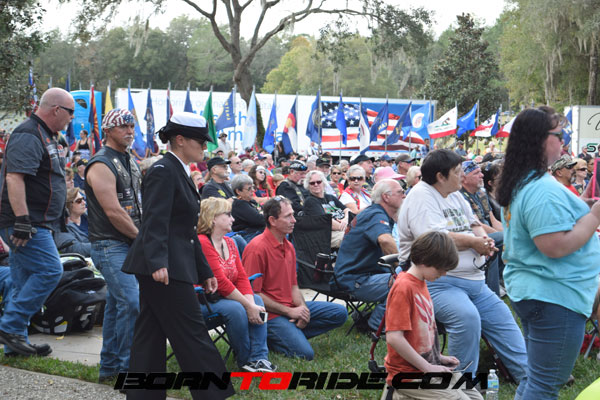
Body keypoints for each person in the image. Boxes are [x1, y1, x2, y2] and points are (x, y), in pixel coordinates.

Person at [122, 112, 234, 400]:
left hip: (170, 263)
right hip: (164, 267)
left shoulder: (178, 170)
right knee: (192, 333)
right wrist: (158, 262)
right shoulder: (164, 170)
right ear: (180, 140)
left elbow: (186, 229)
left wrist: (205, 270)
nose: (205, 147)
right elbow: (154, 221)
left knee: (150, 334)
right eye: (200, 141)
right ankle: (214, 395)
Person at [397, 149, 528, 390]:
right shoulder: (421, 197)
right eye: (458, 172)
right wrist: (473, 243)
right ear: (441, 176)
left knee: (502, 317)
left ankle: (529, 377)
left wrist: (484, 241)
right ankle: (461, 386)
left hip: (474, 281)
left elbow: (475, 224)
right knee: (467, 318)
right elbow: (434, 239)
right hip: (437, 283)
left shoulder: (455, 195)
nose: (462, 176)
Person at [497, 106, 600, 399]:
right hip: (555, 295)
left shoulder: (526, 180)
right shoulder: (541, 188)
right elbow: (554, 246)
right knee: (544, 385)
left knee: (536, 378)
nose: (564, 142)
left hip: (539, 290)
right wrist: (595, 216)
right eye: (560, 135)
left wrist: (583, 206)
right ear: (541, 139)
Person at [0, 87, 73, 357]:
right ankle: (9, 326)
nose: (71, 118)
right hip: (25, 223)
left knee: (22, 281)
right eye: (70, 112)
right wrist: (22, 219)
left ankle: (14, 345)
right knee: (50, 271)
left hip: (40, 221)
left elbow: (48, 180)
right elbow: (14, 177)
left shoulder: (48, 135)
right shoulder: (29, 134)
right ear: (56, 110)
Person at [242, 197, 347, 360]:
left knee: (339, 313)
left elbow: (293, 286)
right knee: (306, 354)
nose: (294, 220)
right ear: (272, 220)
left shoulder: (288, 246)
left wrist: (303, 310)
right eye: (288, 216)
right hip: (271, 315)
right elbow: (253, 295)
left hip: (289, 308)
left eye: (293, 215)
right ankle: (275, 338)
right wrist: (290, 311)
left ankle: (290, 334)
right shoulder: (256, 249)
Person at [382, 231, 483, 400]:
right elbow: (394, 338)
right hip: (408, 375)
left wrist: (438, 358)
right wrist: (428, 367)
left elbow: (419, 336)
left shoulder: (422, 283)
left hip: (427, 367)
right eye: (441, 269)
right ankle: (398, 394)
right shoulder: (404, 287)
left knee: (475, 398)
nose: (444, 274)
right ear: (424, 261)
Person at [85, 108, 142, 382]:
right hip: (110, 244)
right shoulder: (101, 163)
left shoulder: (130, 159)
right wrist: (142, 239)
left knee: (117, 305)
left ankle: (109, 368)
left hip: (128, 241)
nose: (129, 131)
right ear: (107, 131)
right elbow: (113, 211)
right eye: (123, 127)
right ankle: (126, 369)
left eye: (131, 127)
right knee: (131, 302)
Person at [197, 197, 275, 372]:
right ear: (213, 218)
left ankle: (259, 358)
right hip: (203, 300)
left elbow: (241, 277)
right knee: (237, 309)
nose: (233, 219)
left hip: (224, 297)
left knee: (257, 301)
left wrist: (251, 304)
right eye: (228, 214)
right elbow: (220, 282)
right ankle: (245, 360)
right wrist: (248, 306)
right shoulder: (202, 242)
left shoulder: (230, 242)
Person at [334, 180, 404, 332]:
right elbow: (385, 240)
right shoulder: (375, 214)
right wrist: (401, 268)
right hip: (356, 279)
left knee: (406, 279)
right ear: (386, 197)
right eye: (400, 192)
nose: (404, 195)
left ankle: (365, 318)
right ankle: (376, 325)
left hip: (364, 275)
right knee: (406, 282)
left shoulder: (376, 212)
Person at [302, 170, 349, 248]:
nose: (316, 184)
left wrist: (345, 219)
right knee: (355, 237)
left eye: (319, 182)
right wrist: (348, 227)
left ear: (323, 182)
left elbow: (347, 210)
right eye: (312, 183)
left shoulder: (330, 197)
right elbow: (328, 223)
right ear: (308, 185)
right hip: (327, 235)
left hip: (342, 229)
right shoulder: (310, 201)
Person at [231, 174, 265, 243]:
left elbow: (265, 212)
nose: (253, 190)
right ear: (238, 191)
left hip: (257, 233)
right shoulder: (239, 204)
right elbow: (261, 220)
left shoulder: (252, 201)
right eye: (249, 188)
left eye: (253, 187)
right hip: (248, 236)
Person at [63, 188, 91, 256]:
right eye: (79, 201)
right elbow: (75, 249)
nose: (84, 203)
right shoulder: (62, 227)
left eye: (83, 199)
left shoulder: (90, 217)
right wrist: (101, 246)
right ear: (68, 205)